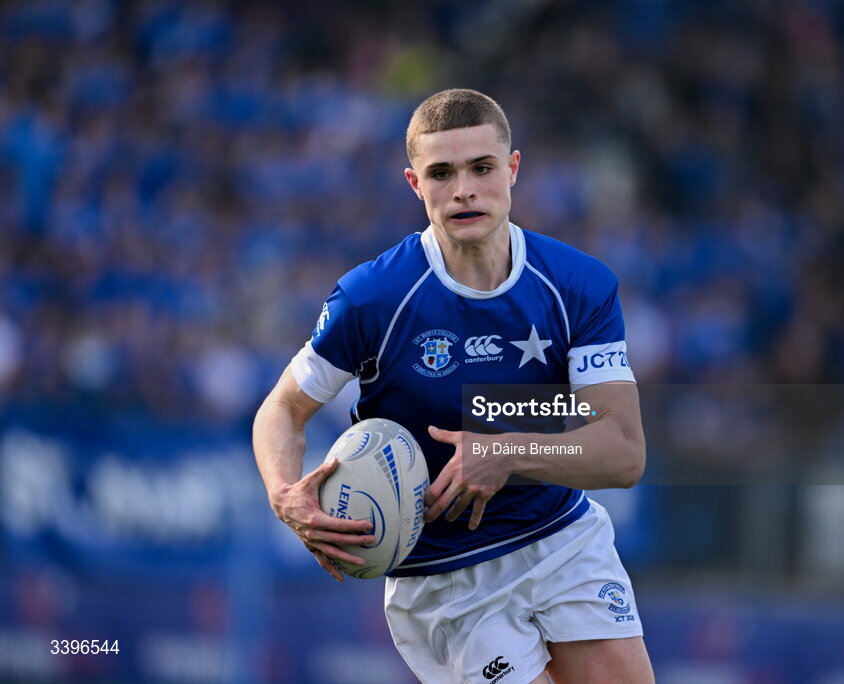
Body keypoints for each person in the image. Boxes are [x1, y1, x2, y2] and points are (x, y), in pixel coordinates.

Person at [253, 88, 654, 684]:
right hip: (442, 580)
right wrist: (285, 494)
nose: (464, 188)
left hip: (561, 539)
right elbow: (283, 407)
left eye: (482, 168)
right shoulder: (371, 297)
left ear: (512, 169)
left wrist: (504, 452)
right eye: (442, 173)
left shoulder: (579, 285)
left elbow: (623, 452)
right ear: (416, 184)